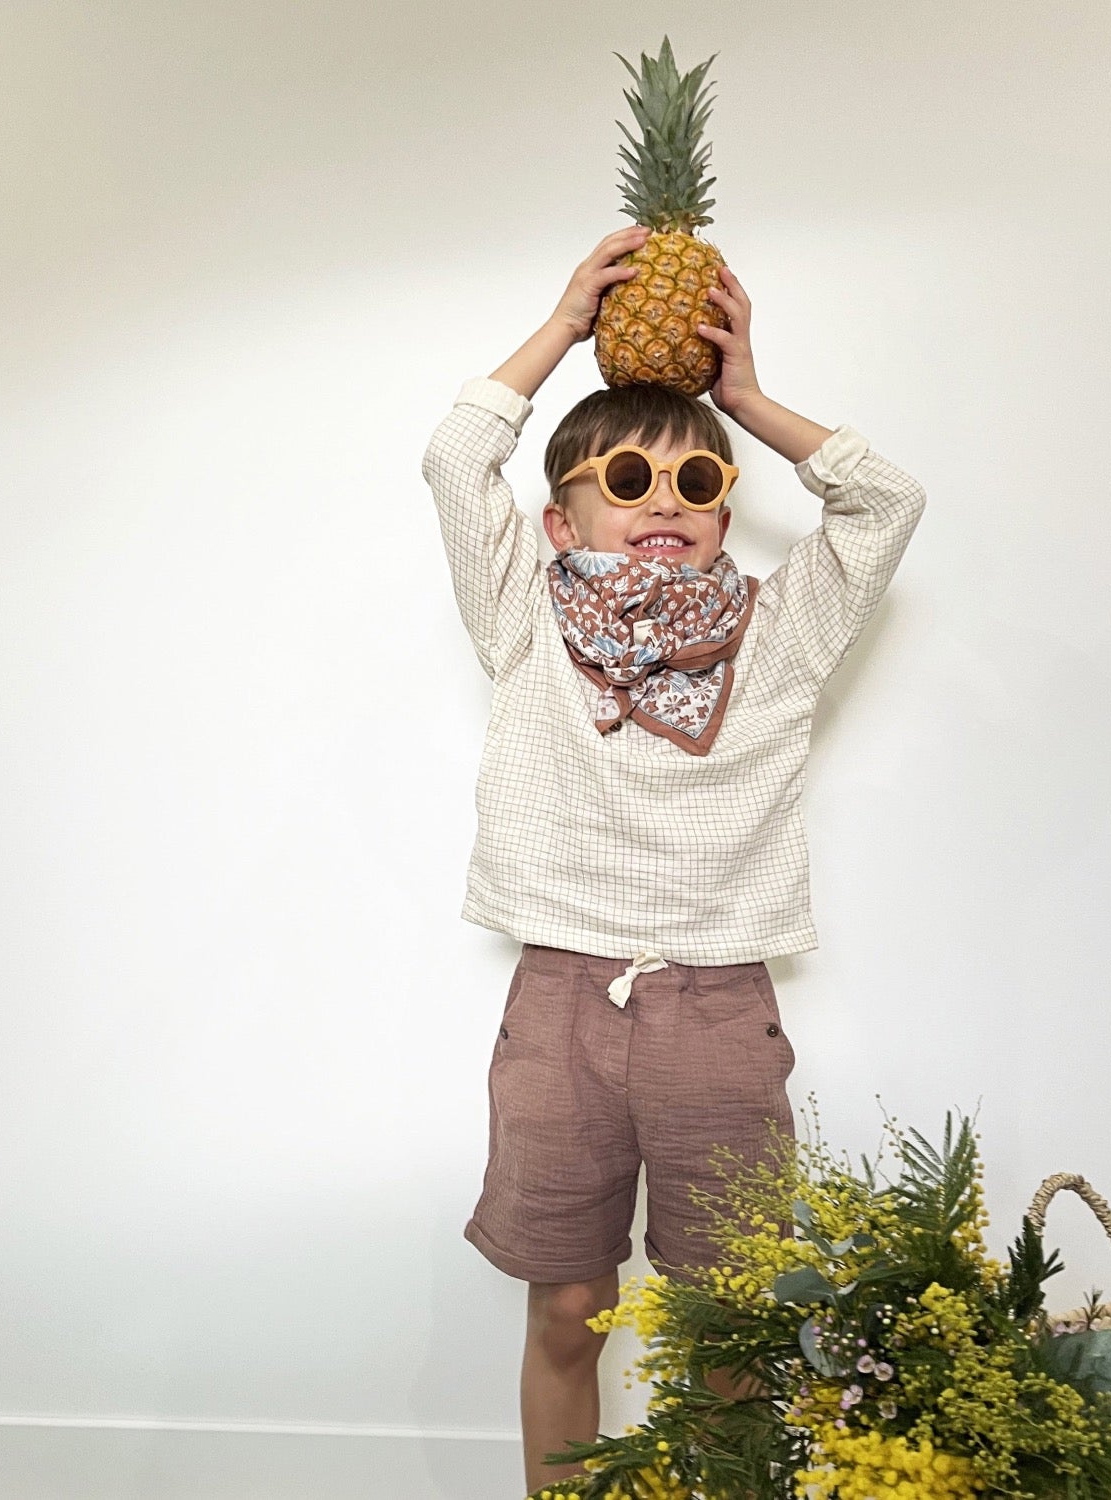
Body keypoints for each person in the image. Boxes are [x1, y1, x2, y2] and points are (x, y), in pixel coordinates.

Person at [420, 226, 927, 1495]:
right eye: (629, 479)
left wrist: (743, 397)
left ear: (726, 509)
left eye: (698, 485)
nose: (665, 504)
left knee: (731, 1332)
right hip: (559, 1004)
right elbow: (454, 453)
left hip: (718, 1004)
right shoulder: (524, 617)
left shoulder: (782, 629)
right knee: (568, 1304)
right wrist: (562, 328)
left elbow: (888, 501)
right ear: (562, 514)